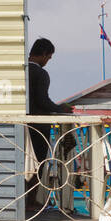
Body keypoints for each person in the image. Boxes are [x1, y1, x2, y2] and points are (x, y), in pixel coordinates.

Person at [27, 38, 73, 205]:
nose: (48, 61)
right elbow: (42, 101)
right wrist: (62, 109)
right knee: (38, 164)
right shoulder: (40, 73)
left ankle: (23, 202)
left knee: (24, 164)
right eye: (49, 57)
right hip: (38, 127)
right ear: (44, 54)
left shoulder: (21, 70)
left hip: (21, 127)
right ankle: (31, 202)